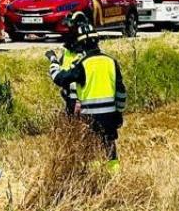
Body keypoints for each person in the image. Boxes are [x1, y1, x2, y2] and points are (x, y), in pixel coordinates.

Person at [50, 25, 127, 160]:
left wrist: (53, 62)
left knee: (92, 152)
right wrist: (119, 112)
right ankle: (114, 175)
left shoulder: (82, 63)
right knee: (110, 148)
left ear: (81, 45)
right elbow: (121, 91)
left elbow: (60, 79)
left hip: (90, 117)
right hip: (110, 115)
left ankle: (97, 178)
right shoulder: (111, 61)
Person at [46, 13, 89, 116]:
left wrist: (52, 59)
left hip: (80, 102)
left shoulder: (83, 53)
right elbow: (61, 69)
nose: (66, 32)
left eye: (69, 29)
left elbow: (60, 77)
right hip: (69, 98)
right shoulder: (68, 51)